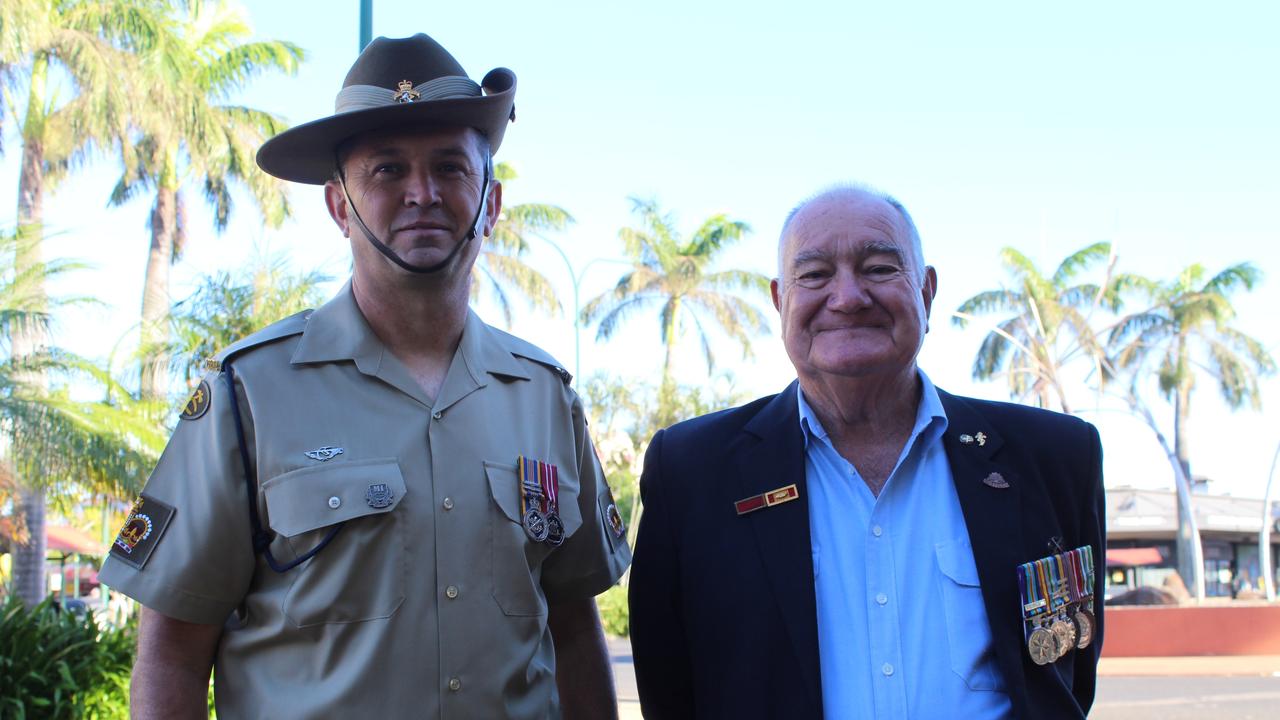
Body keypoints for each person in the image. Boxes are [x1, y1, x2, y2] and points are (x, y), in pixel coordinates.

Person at [99, 33, 631, 719]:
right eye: (386, 170)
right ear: (340, 208)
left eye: (449, 168)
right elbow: (173, 648)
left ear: (490, 205)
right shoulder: (251, 393)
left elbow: (574, 628)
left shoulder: (544, 398)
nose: (421, 193)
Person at [628, 186, 1105, 719]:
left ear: (925, 292)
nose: (848, 296)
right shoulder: (693, 471)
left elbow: (1066, 676)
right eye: (813, 275)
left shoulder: (1053, 457)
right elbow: (670, 690)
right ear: (780, 300)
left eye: (879, 268)